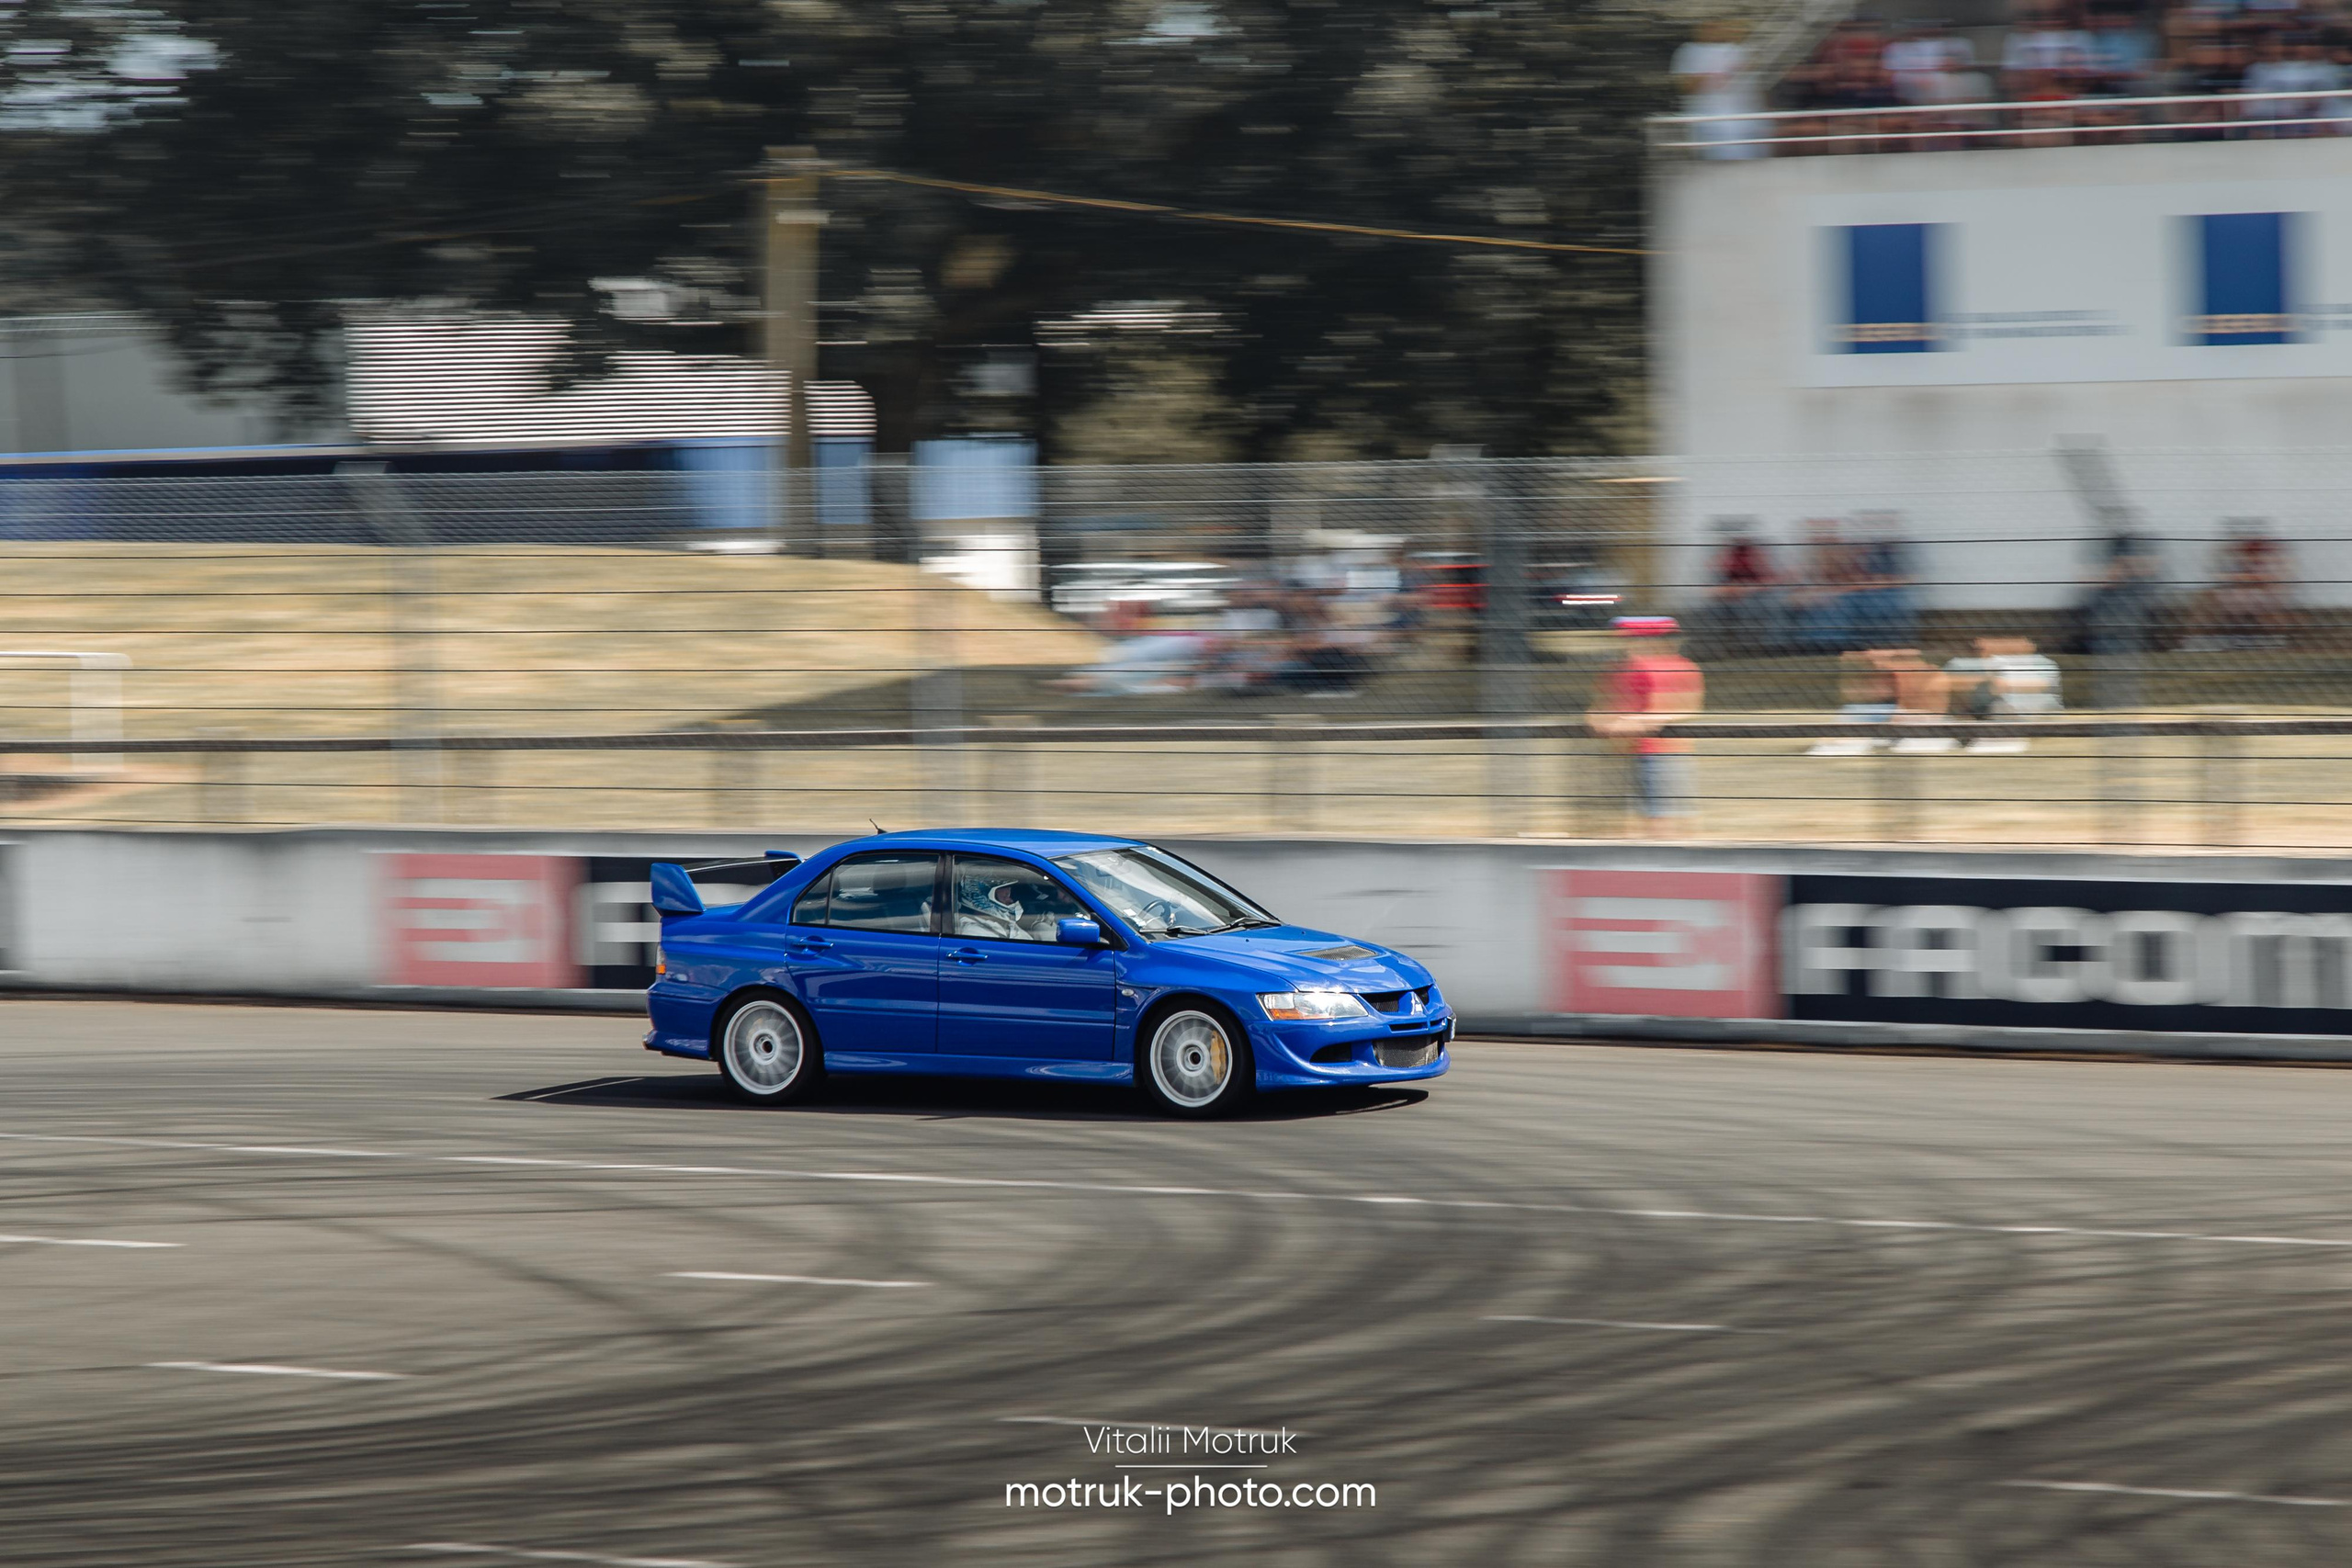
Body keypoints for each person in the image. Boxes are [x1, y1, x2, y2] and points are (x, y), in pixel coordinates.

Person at [1587, 615, 1705, 837]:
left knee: (1659, 817)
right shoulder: (1679, 666)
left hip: (1654, 753)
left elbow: (1665, 712)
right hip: (1649, 752)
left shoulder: (1651, 668)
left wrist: (1614, 724)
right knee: (1669, 814)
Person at [1672, 19, 1765, 160]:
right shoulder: (1689, 51)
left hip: (1745, 122)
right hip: (1711, 122)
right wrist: (1710, 77)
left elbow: (1755, 89)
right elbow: (1685, 86)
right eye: (1709, 27)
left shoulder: (1739, 52)